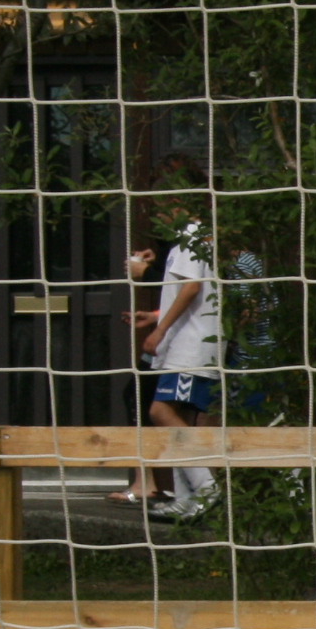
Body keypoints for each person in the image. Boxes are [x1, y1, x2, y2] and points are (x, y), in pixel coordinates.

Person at [119, 203, 218, 522]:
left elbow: (191, 288)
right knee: (177, 418)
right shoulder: (193, 239)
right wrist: (156, 318)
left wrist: (160, 330)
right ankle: (185, 498)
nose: (158, 219)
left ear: (178, 206)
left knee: (159, 412)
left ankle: (206, 488)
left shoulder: (194, 236)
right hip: (184, 344)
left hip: (190, 346)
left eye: (161, 211)